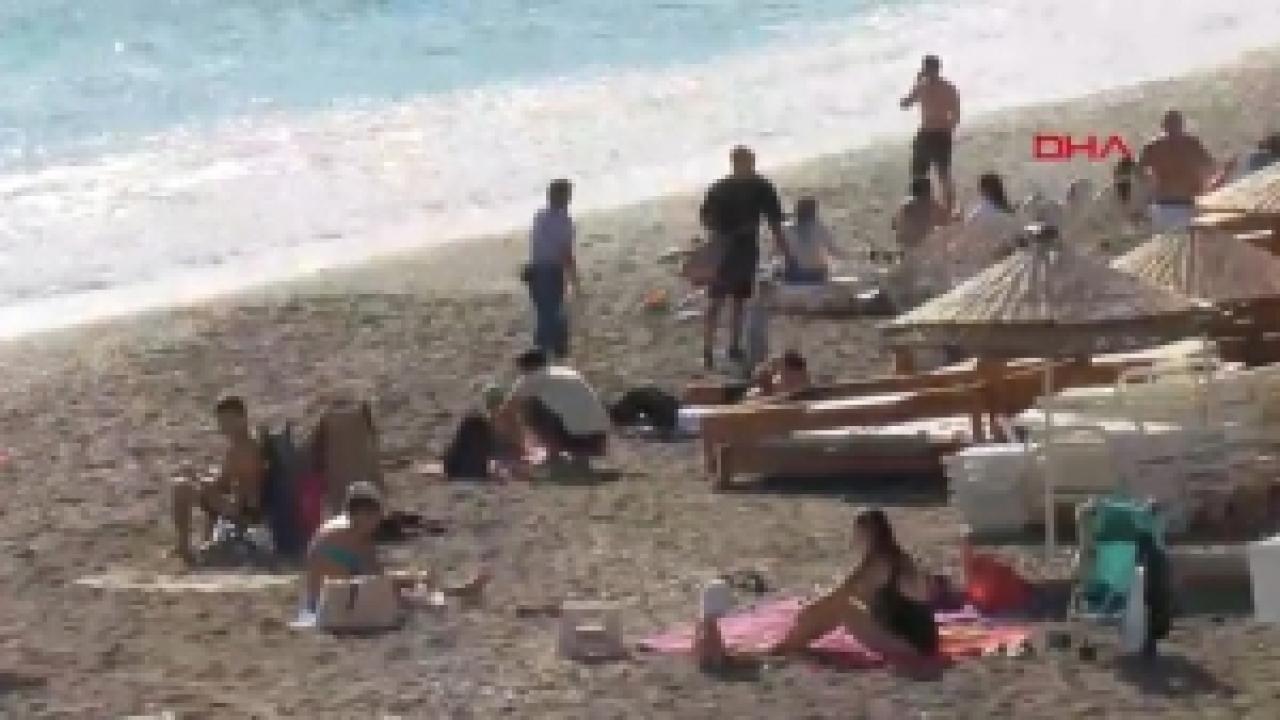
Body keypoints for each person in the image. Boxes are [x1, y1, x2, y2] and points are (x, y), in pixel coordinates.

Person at [762, 509, 938, 660]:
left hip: (909, 647)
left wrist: (808, 613)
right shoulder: (898, 557)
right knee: (839, 605)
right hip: (920, 642)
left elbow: (842, 593)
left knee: (841, 605)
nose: (855, 540)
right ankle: (791, 644)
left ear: (867, 533)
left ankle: (785, 647)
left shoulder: (880, 561)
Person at [303, 482, 487, 612]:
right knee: (404, 591)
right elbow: (358, 583)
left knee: (407, 583)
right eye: (375, 515)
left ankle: (455, 591)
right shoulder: (340, 539)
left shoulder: (350, 531)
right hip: (328, 605)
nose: (378, 521)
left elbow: (369, 575)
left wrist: (407, 577)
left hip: (336, 597)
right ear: (361, 514)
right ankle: (454, 593)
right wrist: (405, 579)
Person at [700, 146, 792, 370]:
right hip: (726, 249)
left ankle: (731, 346)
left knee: (737, 299)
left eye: (749, 163)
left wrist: (785, 250)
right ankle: (709, 350)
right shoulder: (725, 188)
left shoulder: (757, 186)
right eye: (745, 163)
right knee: (718, 301)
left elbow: (774, 222)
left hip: (741, 249)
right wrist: (785, 250)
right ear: (735, 164)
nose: (748, 167)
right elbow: (706, 220)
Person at [171, 396, 266, 561]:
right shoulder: (241, 445)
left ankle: (184, 548)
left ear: (242, 419)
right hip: (237, 505)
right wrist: (201, 478)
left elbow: (226, 486)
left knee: (182, 488)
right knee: (188, 483)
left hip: (241, 510)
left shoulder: (244, 449)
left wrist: (198, 480)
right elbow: (224, 481)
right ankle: (195, 544)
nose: (224, 426)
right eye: (222, 421)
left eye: (229, 420)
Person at [494, 349, 610, 468]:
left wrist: (515, 441)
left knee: (530, 407)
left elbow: (506, 411)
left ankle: (553, 452)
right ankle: (579, 455)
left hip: (573, 437)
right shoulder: (568, 372)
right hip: (597, 438)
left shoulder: (533, 377)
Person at [523, 179, 580, 359]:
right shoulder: (565, 222)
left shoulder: (540, 216)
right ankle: (554, 347)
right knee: (552, 310)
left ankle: (550, 347)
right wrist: (574, 277)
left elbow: (537, 245)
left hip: (536, 268)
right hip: (551, 269)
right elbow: (565, 253)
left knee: (544, 311)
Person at [1137, 110, 1216, 232]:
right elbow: (1210, 167)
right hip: (1175, 204)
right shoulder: (1190, 144)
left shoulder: (1154, 147)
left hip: (1172, 205)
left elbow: (1139, 174)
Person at [900, 55, 961, 212]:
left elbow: (956, 115)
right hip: (930, 133)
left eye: (929, 69)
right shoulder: (926, 87)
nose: (927, 72)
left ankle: (948, 207)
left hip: (937, 133)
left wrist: (948, 130)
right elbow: (905, 104)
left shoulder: (945, 88)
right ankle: (930, 206)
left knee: (941, 174)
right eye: (926, 69)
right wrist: (916, 83)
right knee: (922, 174)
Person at [780, 197, 843, 283]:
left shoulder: (787, 229)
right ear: (813, 213)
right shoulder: (819, 227)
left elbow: (777, 251)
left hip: (795, 274)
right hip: (816, 274)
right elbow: (833, 250)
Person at [892, 177, 949, 254]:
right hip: (920, 247)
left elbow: (894, 225)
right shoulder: (930, 206)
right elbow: (946, 220)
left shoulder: (904, 205)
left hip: (904, 246)